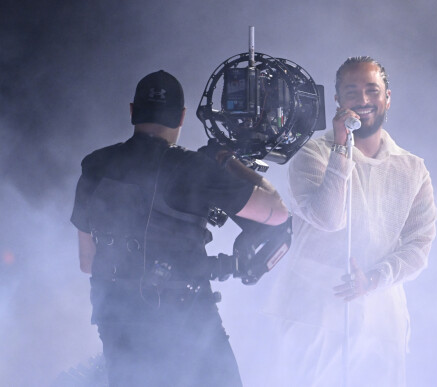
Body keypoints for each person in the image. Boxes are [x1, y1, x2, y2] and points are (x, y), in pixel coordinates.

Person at [70, 70, 288, 387]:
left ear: (132, 111)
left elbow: (87, 262)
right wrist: (226, 159)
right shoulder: (194, 168)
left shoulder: (94, 164)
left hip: (117, 323)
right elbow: (278, 212)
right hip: (187, 323)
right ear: (182, 116)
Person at [265, 56, 437, 386]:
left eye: (372, 90)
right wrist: (342, 148)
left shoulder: (412, 168)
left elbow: (419, 248)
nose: (363, 100)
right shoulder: (311, 155)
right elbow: (328, 219)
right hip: (314, 317)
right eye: (352, 91)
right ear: (337, 100)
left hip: (381, 323)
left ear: (388, 97)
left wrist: (373, 280)